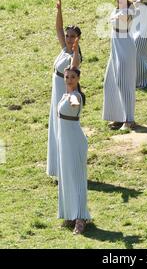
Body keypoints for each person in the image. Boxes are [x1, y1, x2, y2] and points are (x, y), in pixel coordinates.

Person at [47, 0, 81, 178]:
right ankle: (57, 169)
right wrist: (59, 10)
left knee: (61, 129)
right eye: (68, 36)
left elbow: (75, 66)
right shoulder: (64, 49)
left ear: (77, 39)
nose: (68, 38)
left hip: (63, 93)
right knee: (54, 127)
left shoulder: (74, 56)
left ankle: (64, 170)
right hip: (56, 91)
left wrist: (75, 49)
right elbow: (58, 29)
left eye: (72, 36)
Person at [57, 60, 90, 235]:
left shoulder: (75, 96)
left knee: (77, 178)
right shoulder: (65, 95)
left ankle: (81, 219)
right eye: (67, 77)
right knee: (67, 177)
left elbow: (76, 102)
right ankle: (70, 214)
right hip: (65, 141)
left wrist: (73, 98)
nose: (69, 79)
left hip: (75, 141)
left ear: (77, 79)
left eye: (72, 77)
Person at [102, 0, 137, 131]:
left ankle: (129, 119)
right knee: (111, 82)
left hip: (125, 49)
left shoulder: (130, 9)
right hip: (115, 48)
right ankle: (118, 117)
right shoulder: (119, 5)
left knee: (124, 83)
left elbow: (125, 18)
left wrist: (117, 17)